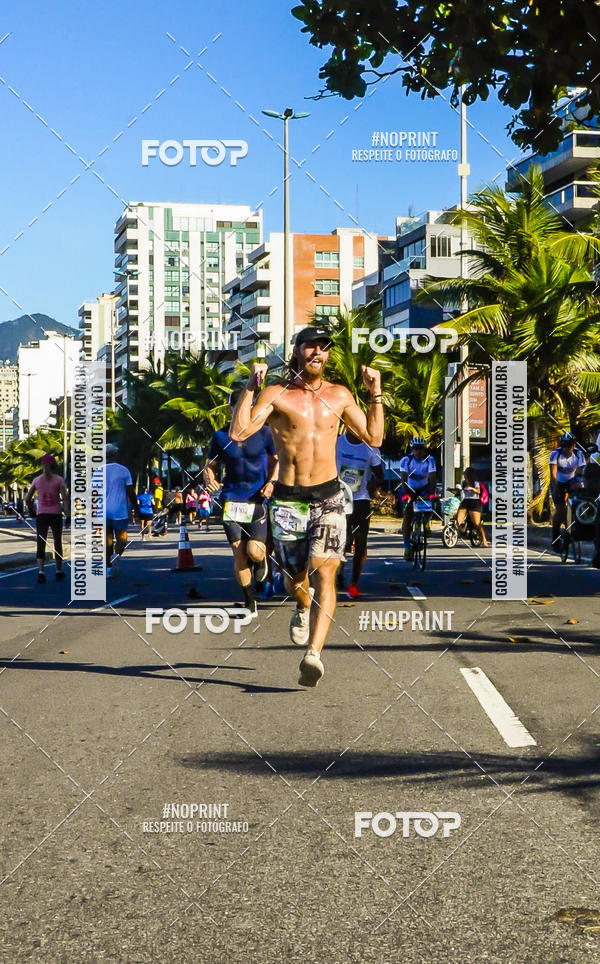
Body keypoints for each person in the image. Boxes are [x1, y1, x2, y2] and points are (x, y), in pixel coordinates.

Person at [230, 325, 383, 687]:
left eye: (324, 347)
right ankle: (302, 604)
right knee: (295, 578)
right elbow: (239, 432)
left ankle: (313, 655)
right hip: (288, 500)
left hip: (329, 496)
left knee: (325, 571)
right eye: (311, 346)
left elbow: (374, 437)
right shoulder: (277, 394)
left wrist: (375, 393)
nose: (318, 352)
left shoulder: (340, 395)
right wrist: (251, 388)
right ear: (297, 350)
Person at [203, 389, 278, 618]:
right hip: (231, 499)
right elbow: (209, 466)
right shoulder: (220, 436)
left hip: (257, 499)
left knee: (254, 551)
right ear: (230, 410)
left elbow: (278, 461)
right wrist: (209, 479)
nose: (241, 411)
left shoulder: (265, 433)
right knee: (239, 553)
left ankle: (262, 561)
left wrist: (272, 482)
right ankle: (249, 602)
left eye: (246, 407)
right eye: (236, 408)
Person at [335, 429, 384, 597]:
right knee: (341, 540)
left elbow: (380, 476)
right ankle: (338, 570)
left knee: (361, 542)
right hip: (337, 498)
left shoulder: (371, 448)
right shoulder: (336, 443)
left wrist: (373, 484)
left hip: (360, 498)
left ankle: (354, 583)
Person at [25, 454, 69, 583]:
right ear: (54, 466)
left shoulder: (37, 480)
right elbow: (65, 499)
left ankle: (41, 572)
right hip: (56, 514)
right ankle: (58, 571)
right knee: (57, 542)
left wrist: (32, 511)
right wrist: (68, 515)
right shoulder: (59, 480)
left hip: (42, 514)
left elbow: (27, 499)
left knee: (41, 542)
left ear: (42, 466)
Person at [399, 438, 437, 560]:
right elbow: (404, 478)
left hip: (424, 487)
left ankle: (426, 522)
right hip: (409, 488)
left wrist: (431, 493)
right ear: (412, 449)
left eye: (421, 448)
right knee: (408, 516)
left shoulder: (430, 460)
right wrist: (407, 494)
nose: (418, 451)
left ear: (424, 449)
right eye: (416, 448)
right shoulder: (406, 460)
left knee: (431, 502)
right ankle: (406, 548)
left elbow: (432, 478)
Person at [105, 444, 137, 577]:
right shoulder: (124, 470)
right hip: (119, 510)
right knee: (122, 539)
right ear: (115, 454)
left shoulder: (98, 471)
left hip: (104, 510)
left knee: (108, 541)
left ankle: (108, 568)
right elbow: (130, 491)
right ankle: (115, 559)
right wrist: (136, 507)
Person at [549, 432, 585, 551]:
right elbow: (553, 474)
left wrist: (579, 484)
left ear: (573, 445)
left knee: (578, 499)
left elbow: (581, 471)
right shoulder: (555, 454)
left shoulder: (579, 454)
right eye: (563, 445)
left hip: (572, 481)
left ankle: (575, 525)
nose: (566, 448)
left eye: (568, 445)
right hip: (558, 482)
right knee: (560, 509)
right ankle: (555, 537)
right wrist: (556, 489)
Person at [456, 466, 489, 547]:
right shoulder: (463, 483)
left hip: (474, 502)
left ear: (470, 475)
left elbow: (478, 491)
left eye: (466, 474)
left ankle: (484, 540)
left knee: (477, 523)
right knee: (458, 521)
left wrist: (471, 488)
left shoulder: (475, 483)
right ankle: (459, 532)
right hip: (466, 501)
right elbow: (460, 491)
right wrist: (453, 490)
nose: (464, 475)